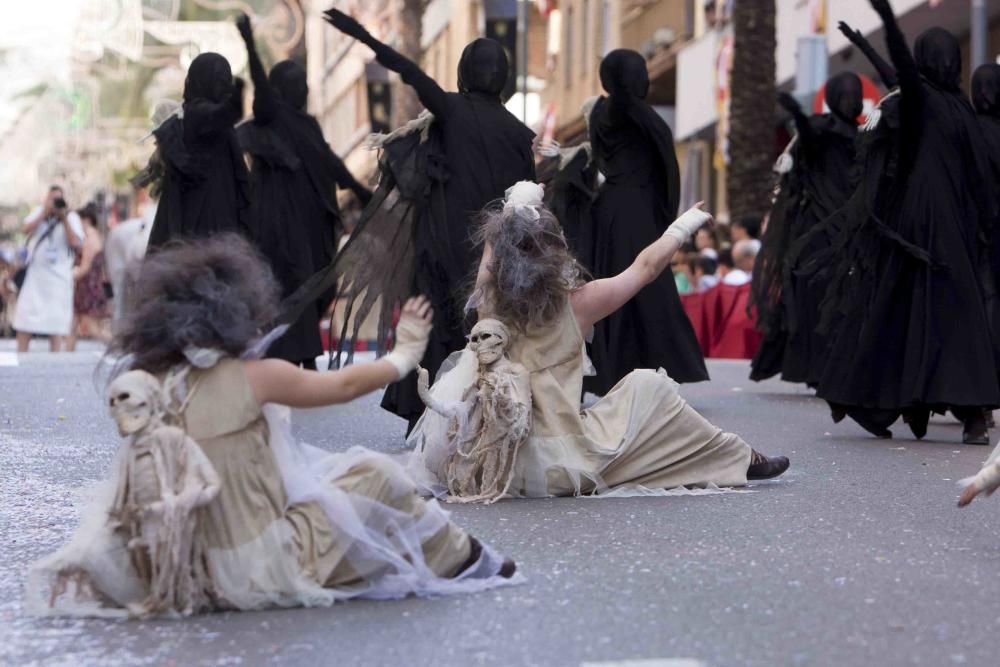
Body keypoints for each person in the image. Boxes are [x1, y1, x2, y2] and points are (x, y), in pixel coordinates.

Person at [28, 236, 516, 619]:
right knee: (375, 474)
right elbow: (344, 386)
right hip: (259, 563)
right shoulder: (253, 376)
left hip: (190, 563)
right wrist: (405, 352)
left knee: (337, 486)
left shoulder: (159, 384)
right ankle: (467, 559)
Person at [410, 183, 789, 499]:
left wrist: (514, 209)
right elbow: (645, 268)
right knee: (648, 386)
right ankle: (739, 457)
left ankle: (736, 456)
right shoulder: (577, 304)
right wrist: (683, 226)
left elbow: (491, 260)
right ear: (555, 250)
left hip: (500, 462)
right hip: (562, 462)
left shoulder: (489, 302)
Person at [318, 9, 536, 430]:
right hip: (496, 255)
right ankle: (484, 414)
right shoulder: (519, 134)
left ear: (463, 74)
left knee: (439, 327)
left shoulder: (452, 111)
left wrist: (363, 35)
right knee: (487, 330)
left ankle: (432, 414)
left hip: (444, 244)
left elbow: (410, 73)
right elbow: (527, 204)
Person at [816, 0, 1000, 444]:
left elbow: (976, 172)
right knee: (941, 310)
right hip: (932, 222)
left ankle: (904, 405)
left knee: (911, 309)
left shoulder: (953, 106)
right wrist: (882, 29)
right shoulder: (936, 103)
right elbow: (901, 72)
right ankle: (960, 411)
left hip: (932, 222)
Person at [236, 14, 372, 370]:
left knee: (316, 282)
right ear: (281, 90)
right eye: (297, 83)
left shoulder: (307, 123)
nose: (305, 90)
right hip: (280, 222)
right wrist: (250, 43)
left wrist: (360, 189)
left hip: (312, 220)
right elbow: (261, 88)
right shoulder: (273, 117)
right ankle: (291, 353)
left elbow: (330, 162)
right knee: (290, 282)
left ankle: (301, 352)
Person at [585, 49, 708, 396]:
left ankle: (613, 369)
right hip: (636, 210)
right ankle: (650, 365)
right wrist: (667, 216)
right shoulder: (638, 113)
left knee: (613, 282)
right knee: (646, 282)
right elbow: (666, 164)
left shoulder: (599, 112)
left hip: (607, 207)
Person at [750, 75, 863, 387]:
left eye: (855, 95)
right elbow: (812, 140)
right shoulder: (820, 130)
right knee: (814, 298)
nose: (851, 100)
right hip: (815, 231)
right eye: (846, 94)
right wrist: (798, 115)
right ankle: (814, 367)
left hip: (849, 232)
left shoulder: (863, 136)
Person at [146, 53, 251, 248]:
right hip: (206, 227)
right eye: (220, 81)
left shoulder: (206, 121)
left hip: (214, 222)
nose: (225, 87)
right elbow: (223, 114)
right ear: (205, 82)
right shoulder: (197, 115)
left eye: (226, 81)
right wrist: (237, 95)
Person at [14, 186, 83, 353]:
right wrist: (44, 213)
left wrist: (63, 218)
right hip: (36, 276)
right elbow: (24, 229)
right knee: (25, 318)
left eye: (58, 199)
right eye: (51, 199)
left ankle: (54, 359)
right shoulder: (39, 212)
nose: (54, 203)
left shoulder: (71, 217)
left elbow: (76, 243)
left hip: (59, 279)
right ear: (45, 200)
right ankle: (21, 355)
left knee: (56, 322)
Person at [66, 204, 110, 351]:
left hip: (88, 290)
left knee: (93, 329)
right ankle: (66, 357)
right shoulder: (92, 236)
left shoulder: (90, 238)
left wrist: (66, 276)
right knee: (72, 326)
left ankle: (120, 347)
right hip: (85, 288)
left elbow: (85, 268)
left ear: (85, 220)